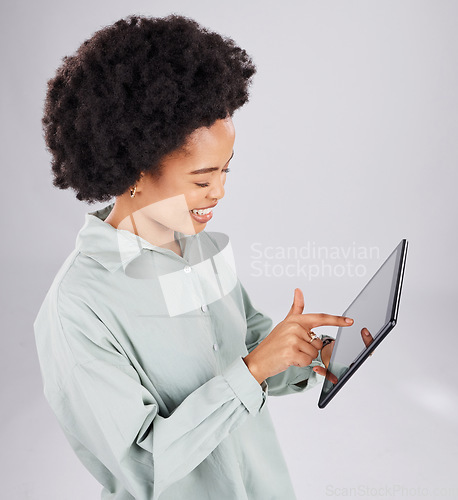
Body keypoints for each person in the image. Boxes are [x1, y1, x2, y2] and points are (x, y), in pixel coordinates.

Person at [33, 14, 354, 500]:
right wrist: (250, 373)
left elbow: (244, 345)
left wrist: (309, 357)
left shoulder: (199, 249)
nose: (220, 191)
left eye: (226, 170)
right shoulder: (77, 309)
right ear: (135, 171)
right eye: (203, 179)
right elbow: (142, 467)